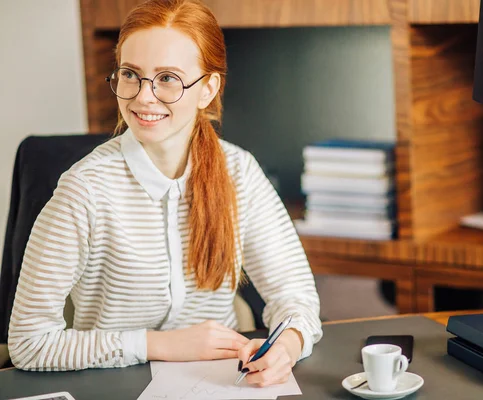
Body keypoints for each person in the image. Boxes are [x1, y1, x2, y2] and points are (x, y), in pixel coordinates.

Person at [7, 0, 322, 387]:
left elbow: (296, 299)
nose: (143, 97)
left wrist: (286, 346)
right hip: (112, 386)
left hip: (223, 385)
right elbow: (29, 343)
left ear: (208, 88)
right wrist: (160, 345)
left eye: (168, 78)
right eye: (130, 74)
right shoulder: (83, 191)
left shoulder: (239, 172)